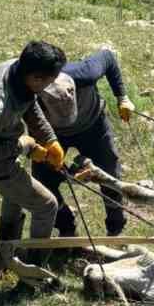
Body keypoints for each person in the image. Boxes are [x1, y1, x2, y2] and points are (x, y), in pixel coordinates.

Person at [0, 40, 68, 267]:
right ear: (36, 78)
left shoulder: (17, 69)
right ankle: (35, 269)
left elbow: (30, 102)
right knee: (47, 206)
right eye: (49, 81)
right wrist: (24, 146)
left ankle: (6, 255)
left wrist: (50, 139)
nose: (50, 85)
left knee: (15, 197)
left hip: (3, 151)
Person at [33, 47, 135, 238]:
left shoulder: (85, 72)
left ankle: (115, 227)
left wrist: (122, 97)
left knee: (110, 174)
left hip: (93, 125)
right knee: (43, 181)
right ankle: (65, 226)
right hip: (51, 135)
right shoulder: (32, 88)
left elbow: (108, 57)